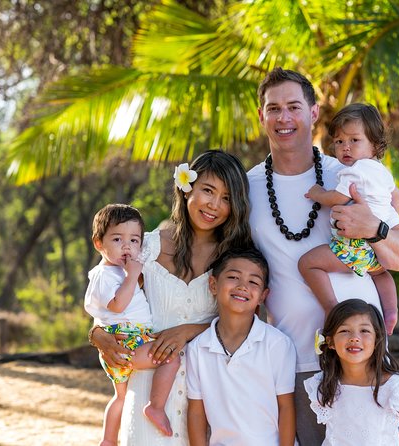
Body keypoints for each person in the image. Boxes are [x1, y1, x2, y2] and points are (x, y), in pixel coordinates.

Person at [248, 67, 399, 445]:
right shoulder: (248, 187)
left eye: (293, 106)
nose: (284, 117)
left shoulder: (352, 174)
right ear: (262, 117)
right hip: (295, 359)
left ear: (313, 113)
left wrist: (374, 229)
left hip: (361, 356)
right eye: (273, 109)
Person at [89, 150, 253, 446]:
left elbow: (247, 325)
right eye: (207, 190)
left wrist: (188, 331)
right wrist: (98, 333)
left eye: (227, 198)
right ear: (186, 187)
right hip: (148, 393)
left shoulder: (236, 259)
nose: (214, 205)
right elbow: (108, 296)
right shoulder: (145, 246)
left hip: (209, 396)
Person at [298, 103, 399, 336]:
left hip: (354, 247)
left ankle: (330, 308)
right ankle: (391, 311)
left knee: (307, 263)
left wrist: (317, 193)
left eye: (354, 141)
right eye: (339, 142)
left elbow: (337, 197)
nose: (345, 148)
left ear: (375, 145)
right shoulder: (382, 171)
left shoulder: (355, 171)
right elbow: (396, 198)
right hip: (376, 249)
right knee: (381, 273)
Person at [85, 204, 181, 444]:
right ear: (99, 244)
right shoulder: (104, 274)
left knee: (121, 397)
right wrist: (131, 276)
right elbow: (117, 305)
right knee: (171, 357)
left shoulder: (121, 270)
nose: (127, 247)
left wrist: (132, 274)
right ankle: (155, 407)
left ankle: (108, 440)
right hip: (126, 339)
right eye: (117, 239)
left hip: (128, 338)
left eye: (134, 240)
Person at [186, 248, 296, 446]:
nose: (243, 286)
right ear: (213, 284)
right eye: (234, 277)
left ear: (263, 296)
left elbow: (286, 408)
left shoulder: (277, 344)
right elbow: (196, 412)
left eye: (253, 282)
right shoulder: (197, 349)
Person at [305, 299, 399, 445]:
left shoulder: (393, 387)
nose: (354, 338)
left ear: (377, 339)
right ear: (330, 342)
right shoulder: (324, 383)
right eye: (344, 331)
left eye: (364, 331)